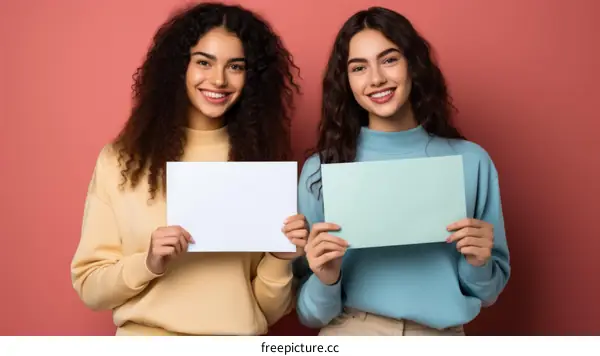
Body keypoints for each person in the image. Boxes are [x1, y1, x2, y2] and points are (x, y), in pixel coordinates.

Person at [70, 2, 309, 336]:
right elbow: (89, 286)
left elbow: (264, 311)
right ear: (178, 67)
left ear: (251, 77)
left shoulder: (261, 166)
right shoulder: (122, 160)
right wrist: (148, 263)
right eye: (203, 62)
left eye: (235, 66)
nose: (218, 79)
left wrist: (280, 258)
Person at [293, 6, 511, 336]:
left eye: (390, 59)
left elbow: (489, 292)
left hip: (442, 337)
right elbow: (308, 314)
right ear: (346, 81)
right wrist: (326, 278)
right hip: (352, 332)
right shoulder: (321, 171)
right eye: (358, 67)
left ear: (413, 64)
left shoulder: (471, 162)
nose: (376, 78)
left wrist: (478, 263)